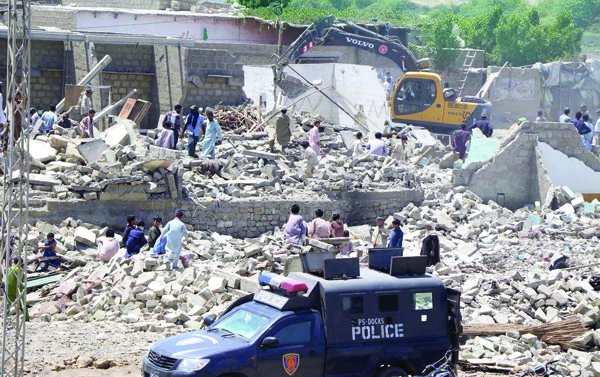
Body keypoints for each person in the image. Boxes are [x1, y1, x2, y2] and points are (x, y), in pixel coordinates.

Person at [7, 256, 28, 320]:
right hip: (17, 289)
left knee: (8, 303)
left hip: (8, 289)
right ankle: (26, 318)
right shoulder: (19, 269)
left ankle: (5, 315)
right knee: (22, 304)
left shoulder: (9, 269)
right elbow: (23, 280)